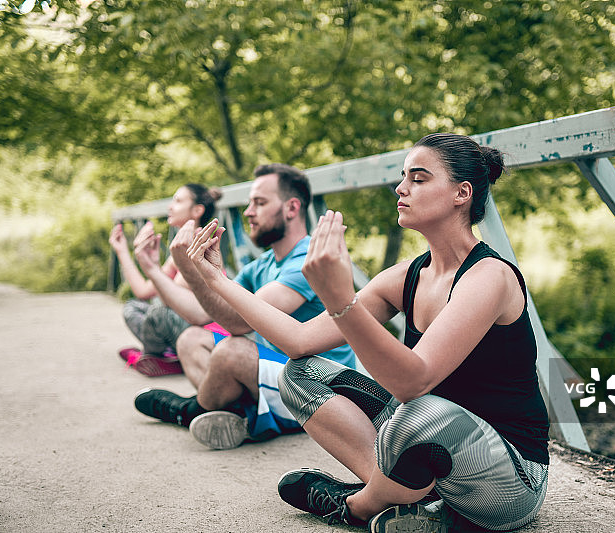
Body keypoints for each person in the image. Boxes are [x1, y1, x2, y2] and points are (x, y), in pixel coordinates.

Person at [185, 133, 550, 531]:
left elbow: (414, 382)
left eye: (418, 178)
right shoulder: (406, 276)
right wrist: (218, 280)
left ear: (462, 193)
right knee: (300, 372)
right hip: (425, 445)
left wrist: (340, 299)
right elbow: (298, 341)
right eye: (403, 177)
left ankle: (355, 505)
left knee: (419, 414)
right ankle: (413, 501)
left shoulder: (489, 277)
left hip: (511, 481)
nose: (401, 188)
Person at [133, 163, 356, 449]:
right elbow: (202, 313)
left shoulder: (308, 260)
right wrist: (154, 270)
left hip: (317, 387)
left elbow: (238, 323)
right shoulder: (262, 265)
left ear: (291, 208)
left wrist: (191, 269)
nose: (248, 212)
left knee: (232, 351)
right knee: (191, 339)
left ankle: (189, 411)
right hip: (275, 374)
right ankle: (236, 417)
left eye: (259, 203)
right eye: (250, 203)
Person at [109, 184, 222, 375]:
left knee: (158, 313)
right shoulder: (179, 247)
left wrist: (152, 268)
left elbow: (170, 300)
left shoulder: (201, 244)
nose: (170, 206)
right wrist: (123, 252)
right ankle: (168, 357)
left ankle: (163, 357)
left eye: (178, 201)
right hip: (180, 323)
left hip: (204, 331)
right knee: (132, 307)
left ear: (197, 210)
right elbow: (143, 291)